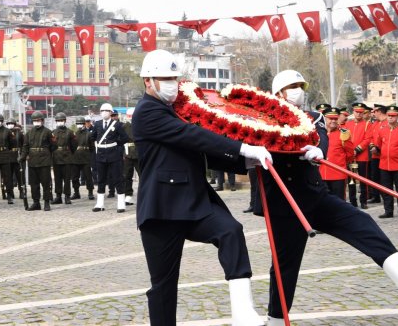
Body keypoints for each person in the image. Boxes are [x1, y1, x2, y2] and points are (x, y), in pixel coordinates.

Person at [261, 70, 398, 326]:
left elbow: (322, 140)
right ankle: (275, 321)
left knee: (362, 224)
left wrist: (316, 149)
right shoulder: (262, 119)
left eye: (300, 85)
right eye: (292, 86)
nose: (298, 90)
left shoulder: (312, 117)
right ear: (278, 93)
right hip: (284, 204)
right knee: (285, 266)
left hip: (315, 196)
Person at [133, 49, 272, 326]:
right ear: (148, 81)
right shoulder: (147, 112)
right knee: (163, 286)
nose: (172, 83)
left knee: (231, 231)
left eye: (174, 77)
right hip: (162, 210)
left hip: (195, 202)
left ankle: (242, 310)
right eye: (165, 78)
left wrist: (249, 160)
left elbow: (202, 150)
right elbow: (192, 136)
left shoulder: (176, 110)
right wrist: (243, 147)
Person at [372, 105, 398, 219]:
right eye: (389, 115)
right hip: (384, 164)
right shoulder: (382, 130)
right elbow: (379, 146)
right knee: (386, 189)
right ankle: (388, 211)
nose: (390, 118)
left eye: (393, 116)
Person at [91, 103, 128, 212]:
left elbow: (125, 138)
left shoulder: (116, 125)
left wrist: (117, 143)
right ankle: (100, 204)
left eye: (106, 110)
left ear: (111, 112)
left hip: (114, 154)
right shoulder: (97, 124)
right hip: (101, 154)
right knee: (101, 179)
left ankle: (121, 204)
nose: (104, 112)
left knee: (117, 178)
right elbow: (92, 137)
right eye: (102, 110)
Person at [20, 111, 54, 211]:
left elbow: (53, 146)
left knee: (45, 183)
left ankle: (47, 202)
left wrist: (48, 156)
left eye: (38, 120)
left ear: (42, 121)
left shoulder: (48, 132)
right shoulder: (29, 133)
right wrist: (22, 156)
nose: (36, 122)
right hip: (33, 161)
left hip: (44, 160)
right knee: (34, 184)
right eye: (35, 120)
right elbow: (25, 147)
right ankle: (36, 202)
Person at [319, 107, 354, 200]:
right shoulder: (318, 133)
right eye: (331, 118)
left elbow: (350, 154)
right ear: (325, 118)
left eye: (335, 118)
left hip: (338, 175)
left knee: (339, 202)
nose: (333, 121)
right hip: (321, 174)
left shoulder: (343, 134)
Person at [346, 102, 373, 208]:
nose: (359, 114)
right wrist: (349, 150)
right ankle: (353, 201)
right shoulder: (348, 124)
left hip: (362, 156)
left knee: (363, 179)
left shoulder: (367, 124)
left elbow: (367, 139)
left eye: (361, 113)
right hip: (350, 156)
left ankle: (363, 201)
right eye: (357, 112)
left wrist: (357, 149)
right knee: (351, 181)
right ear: (353, 112)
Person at [51, 112, 76, 205]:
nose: (60, 122)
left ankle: (67, 196)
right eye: (58, 121)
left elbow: (74, 146)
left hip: (67, 157)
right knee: (57, 178)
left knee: (66, 179)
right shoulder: (53, 133)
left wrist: (70, 154)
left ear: (65, 121)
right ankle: (58, 196)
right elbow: (51, 146)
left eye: (61, 120)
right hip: (56, 158)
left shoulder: (70, 132)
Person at [0, 114, 16, 205]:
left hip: (5, 156)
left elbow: (13, 144)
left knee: (7, 178)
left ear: (2, 121)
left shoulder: (8, 131)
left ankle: (9, 195)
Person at [71, 116, 95, 200]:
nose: (79, 125)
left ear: (84, 124)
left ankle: (90, 192)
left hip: (85, 157)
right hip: (76, 158)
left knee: (88, 176)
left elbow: (92, 147)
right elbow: (72, 146)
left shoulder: (89, 133)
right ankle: (76, 192)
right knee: (75, 177)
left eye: (80, 123)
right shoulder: (74, 134)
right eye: (78, 123)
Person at [368, 104, 388, 204]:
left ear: (379, 111)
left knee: (384, 178)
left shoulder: (388, 122)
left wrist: (378, 149)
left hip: (383, 155)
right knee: (374, 176)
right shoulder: (375, 124)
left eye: (374, 111)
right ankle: (376, 196)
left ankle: (385, 197)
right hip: (375, 154)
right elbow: (371, 137)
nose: (373, 113)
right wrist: (372, 146)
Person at [122, 107, 139, 205]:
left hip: (138, 152)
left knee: (142, 175)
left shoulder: (140, 126)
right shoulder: (124, 127)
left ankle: (143, 194)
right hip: (127, 153)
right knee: (127, 175)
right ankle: (128, 195)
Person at [6, 118, 25, 200]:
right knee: (8, 176)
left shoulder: (19, 134)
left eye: (11, 123)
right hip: (8, 156)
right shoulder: (5, 133)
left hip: (17, 156)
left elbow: (24, 144)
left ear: (14, 124)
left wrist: (23, 155)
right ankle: (10, 193)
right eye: (8, 123)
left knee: (20, 176)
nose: (10, 124)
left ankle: (21, 191)